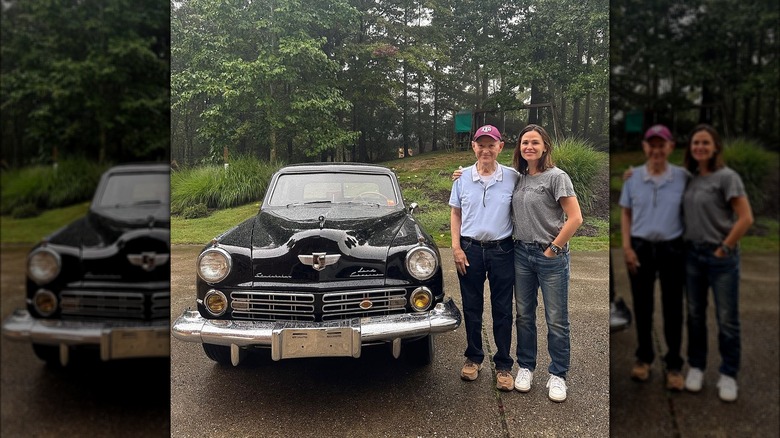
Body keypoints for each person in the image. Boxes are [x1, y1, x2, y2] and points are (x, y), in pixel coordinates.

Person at [510, 124, 582, 402]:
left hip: (550, 257)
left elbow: (575, 218)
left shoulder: (557, 177)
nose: (529, 146)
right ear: (519, 148)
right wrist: (461, 174)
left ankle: (558, 374)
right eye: (524, 142)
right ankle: (526, 366)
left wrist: (553, 248)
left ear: (545, 147)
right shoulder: (518, 178)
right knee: (524, 315)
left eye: (534, 142)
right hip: (521, 254)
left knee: (556, 319)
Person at [681, 123, 753, 402]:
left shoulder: (727, 177)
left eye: (705, 143)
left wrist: (724, 248)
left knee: (726, 318)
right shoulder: (690, 178)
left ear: (715, 148)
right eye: (695, 142)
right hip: (692, 257)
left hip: (720, 258)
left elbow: (745, 218)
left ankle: (728, 373)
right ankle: (697, 366)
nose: (699, 147)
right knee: (695, 315)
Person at [618, 124, 689, 390]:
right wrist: (627, 248)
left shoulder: (683, 177)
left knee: (673, 308)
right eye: (652, 144)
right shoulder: (633, 177)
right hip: (641, 249)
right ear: (645, 147)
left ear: (670, 147)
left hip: (672, 249)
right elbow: (626, 213)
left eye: (662, 145)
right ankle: (644, 358)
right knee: (643, 307)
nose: (657, 149)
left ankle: (673, 365)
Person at [449, 124, 518, 392]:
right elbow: (456, 213)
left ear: (501, 147)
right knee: (472, 307)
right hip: (470, 250)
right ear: (473, 147)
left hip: (502, 250)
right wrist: (456, 248)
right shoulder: (462, 177)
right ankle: (474, 357)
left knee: (502, 309)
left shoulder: (513, 177)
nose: (486, 149)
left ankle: (503, 365)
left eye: (492, 144)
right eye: (481, 144)